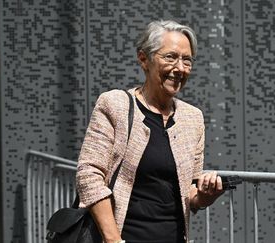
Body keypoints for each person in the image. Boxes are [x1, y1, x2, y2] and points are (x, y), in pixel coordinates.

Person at [76, 20, 224, 243]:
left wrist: (205, 195)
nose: (180, 68)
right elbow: (88, 176)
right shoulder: (114, 105)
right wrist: (113, 240)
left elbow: (190, 193)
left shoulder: (193, 118)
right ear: (144, 59)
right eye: (170, 57)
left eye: (187, 60)